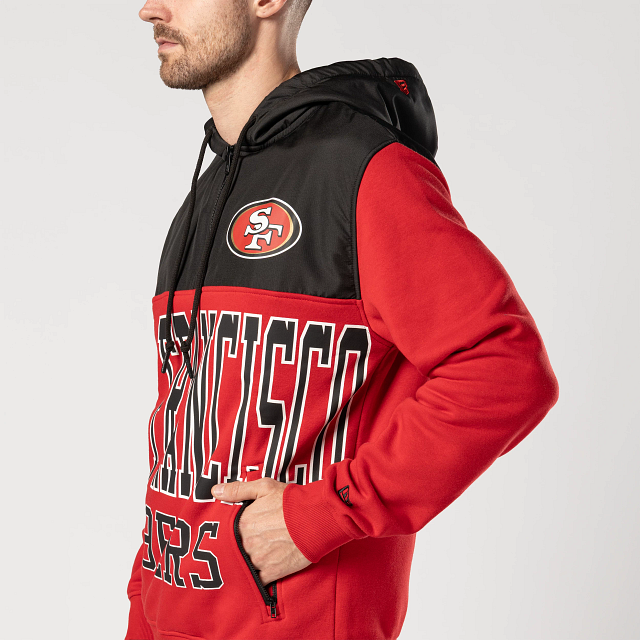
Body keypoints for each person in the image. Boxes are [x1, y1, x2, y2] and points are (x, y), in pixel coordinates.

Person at [125, 1, 559, 639]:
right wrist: (142, 612)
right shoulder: (204, 200)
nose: (149, 9)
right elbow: (180, 439)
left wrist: (325, 514)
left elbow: (506, 368)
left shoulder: (364, 171)